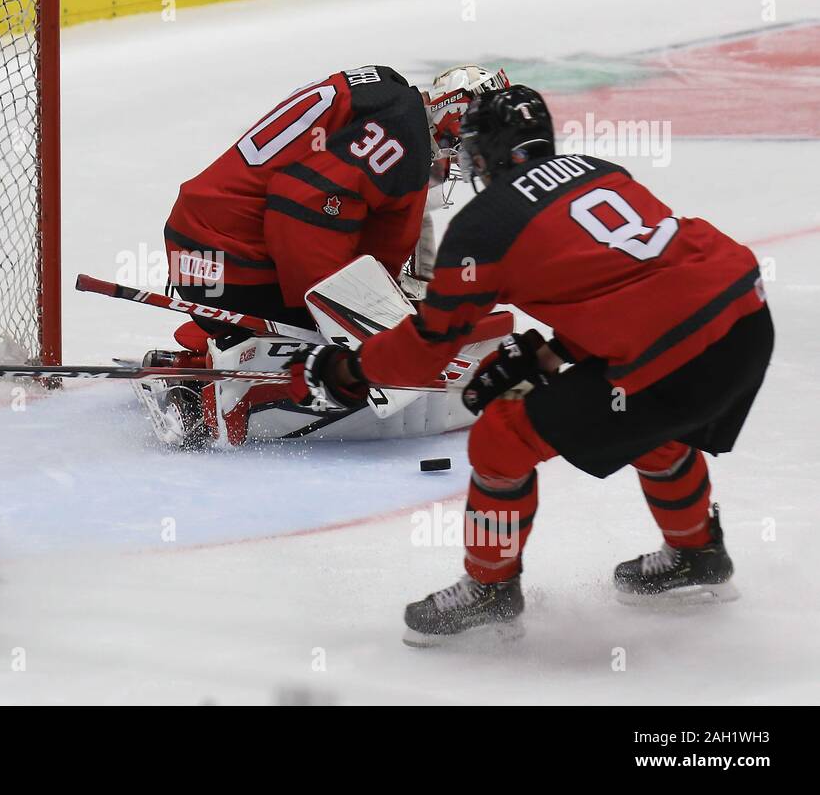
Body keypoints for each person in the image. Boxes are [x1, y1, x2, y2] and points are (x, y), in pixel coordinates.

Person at [292, 85, 772, 645]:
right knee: (648, 415)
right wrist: (551, 353)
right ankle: (697, 554)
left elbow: (426, 351)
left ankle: (491, 590)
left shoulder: (483, 224)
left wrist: (346, 370)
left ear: (486, 151)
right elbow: (634, 281)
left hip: (673, 351)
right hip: (744, 321)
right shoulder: (599, 170)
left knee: (501, 438)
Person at [140, 64, 510, 448]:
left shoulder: (390, 101)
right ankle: (225, 391)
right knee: (368, 358)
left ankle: (225, 341)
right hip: (230, 256)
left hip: (203, 249)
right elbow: (299, 207)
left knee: (374, 333)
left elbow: (340, 208)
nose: (464, 158)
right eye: (470, 141)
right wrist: (349, 322)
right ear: (456, 114)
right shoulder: (403, 132)